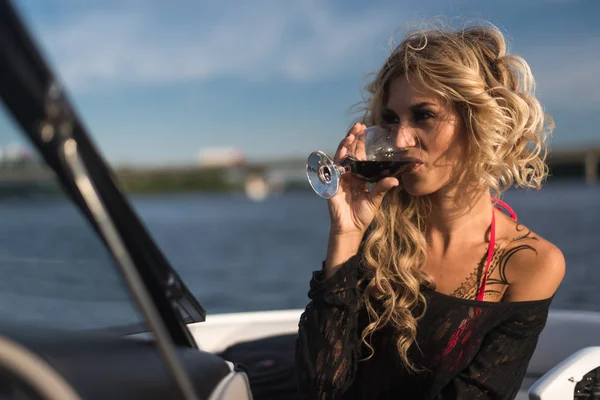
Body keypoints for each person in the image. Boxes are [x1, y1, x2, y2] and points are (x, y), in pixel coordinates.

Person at [295, 22, 565, 400]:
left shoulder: (530, 263)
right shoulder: (376, 233)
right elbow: (318, 389)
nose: (401, 140)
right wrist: (345, 236)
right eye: (391, 119)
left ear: (478, 122)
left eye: (423, 115)